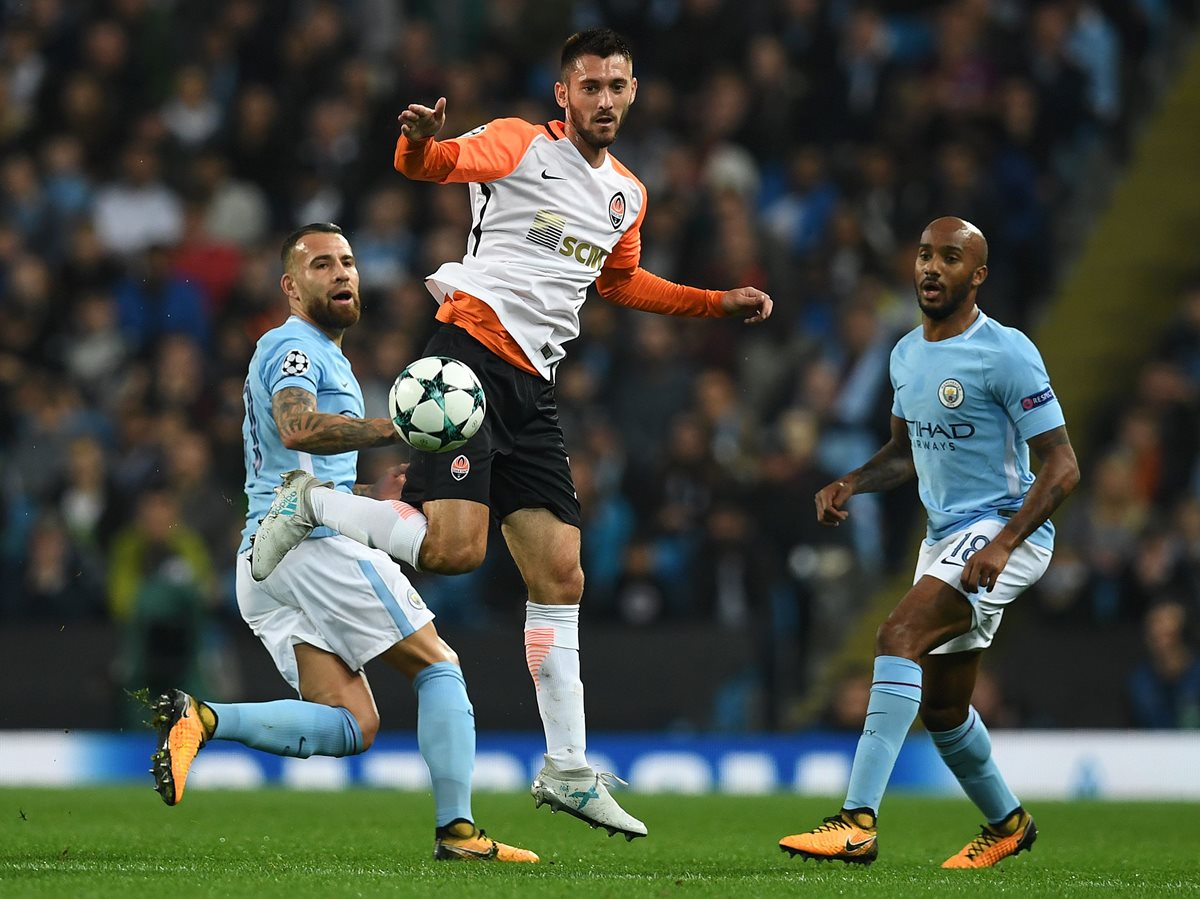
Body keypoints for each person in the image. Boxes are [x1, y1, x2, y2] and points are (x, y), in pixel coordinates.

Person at [249, 27, 773, 840]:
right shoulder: (520, 144)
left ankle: (567, 770)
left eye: (617, 86)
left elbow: (623, 280)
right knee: (456, 551)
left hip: (535, 387)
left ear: (633, 94)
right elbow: (435, 165)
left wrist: (714, 301)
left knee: (561, 573)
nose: (604, 99)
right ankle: (313, 505)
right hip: (469, 361)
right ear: (563, 93)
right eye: (590, 86)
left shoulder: (627, 194)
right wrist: (416, 139)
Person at [150, 223, 537, 863]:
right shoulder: (294, 346)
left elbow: (295, 452)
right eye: (322, 264)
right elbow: (297, 426)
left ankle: (204, 718)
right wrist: (399, 425)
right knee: (438, 665)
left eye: (348, 262)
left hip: (263, 562)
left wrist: (365, 486)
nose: (341, 274)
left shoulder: (320, 352)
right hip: (310, 543)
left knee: (353, 725)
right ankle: (459, 833)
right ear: (290, 285)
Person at [778, 217, 1080, 868]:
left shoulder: (1006, 351)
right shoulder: (906, 353)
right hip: (945, 535)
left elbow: (1063, 464)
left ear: (978, 275)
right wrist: (853, 482)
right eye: (923, 255)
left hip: (1003, 529)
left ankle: (857, 820)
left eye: (950, 257)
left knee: (896, 635)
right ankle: (1008, 822)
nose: (932, 267)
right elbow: (906, 451)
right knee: (943, 709)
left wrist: (1001, 543)